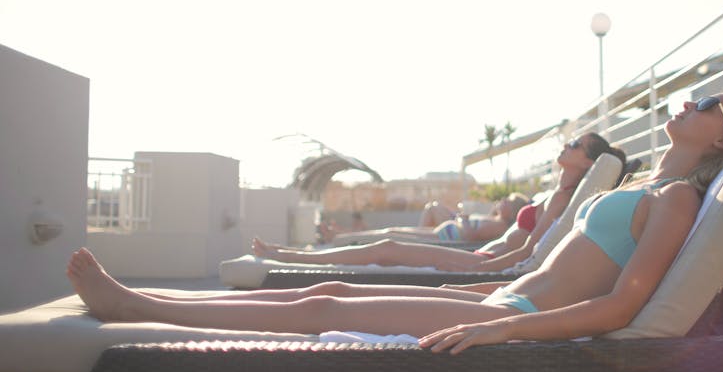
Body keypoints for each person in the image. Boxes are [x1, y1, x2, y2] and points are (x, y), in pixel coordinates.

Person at [64, 92, 723, 354]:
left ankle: (138, 305)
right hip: (501, 295)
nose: (687, 102)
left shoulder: (679, 199)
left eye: (708, 104)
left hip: (514, 310)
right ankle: (153, 302)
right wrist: (494, 302)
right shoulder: (656, 181)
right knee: (327, 299)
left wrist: (503, 326)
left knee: (322, 304)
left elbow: (624, 304)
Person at [250, 132, 629, 273]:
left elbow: (530, 252)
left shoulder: (563, 199)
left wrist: (486, 267)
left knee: (387, 247)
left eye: (576, 145)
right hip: (481, 253)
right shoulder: (554, 194)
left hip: (483, 260)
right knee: (388, 244)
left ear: (587, 162)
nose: (568, 144)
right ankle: (292, 256)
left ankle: (291, 258)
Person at [327, 193, 531, 245]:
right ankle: (346, 235)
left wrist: (463, 219)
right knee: (393, 231)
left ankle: (345, 237)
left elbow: (469, 236)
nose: (503, 201)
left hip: (444, 238)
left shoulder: (499, 227)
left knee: (392, 234)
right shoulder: (494, 220)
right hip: (442, 232)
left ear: (512, 211)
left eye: (508, 201)